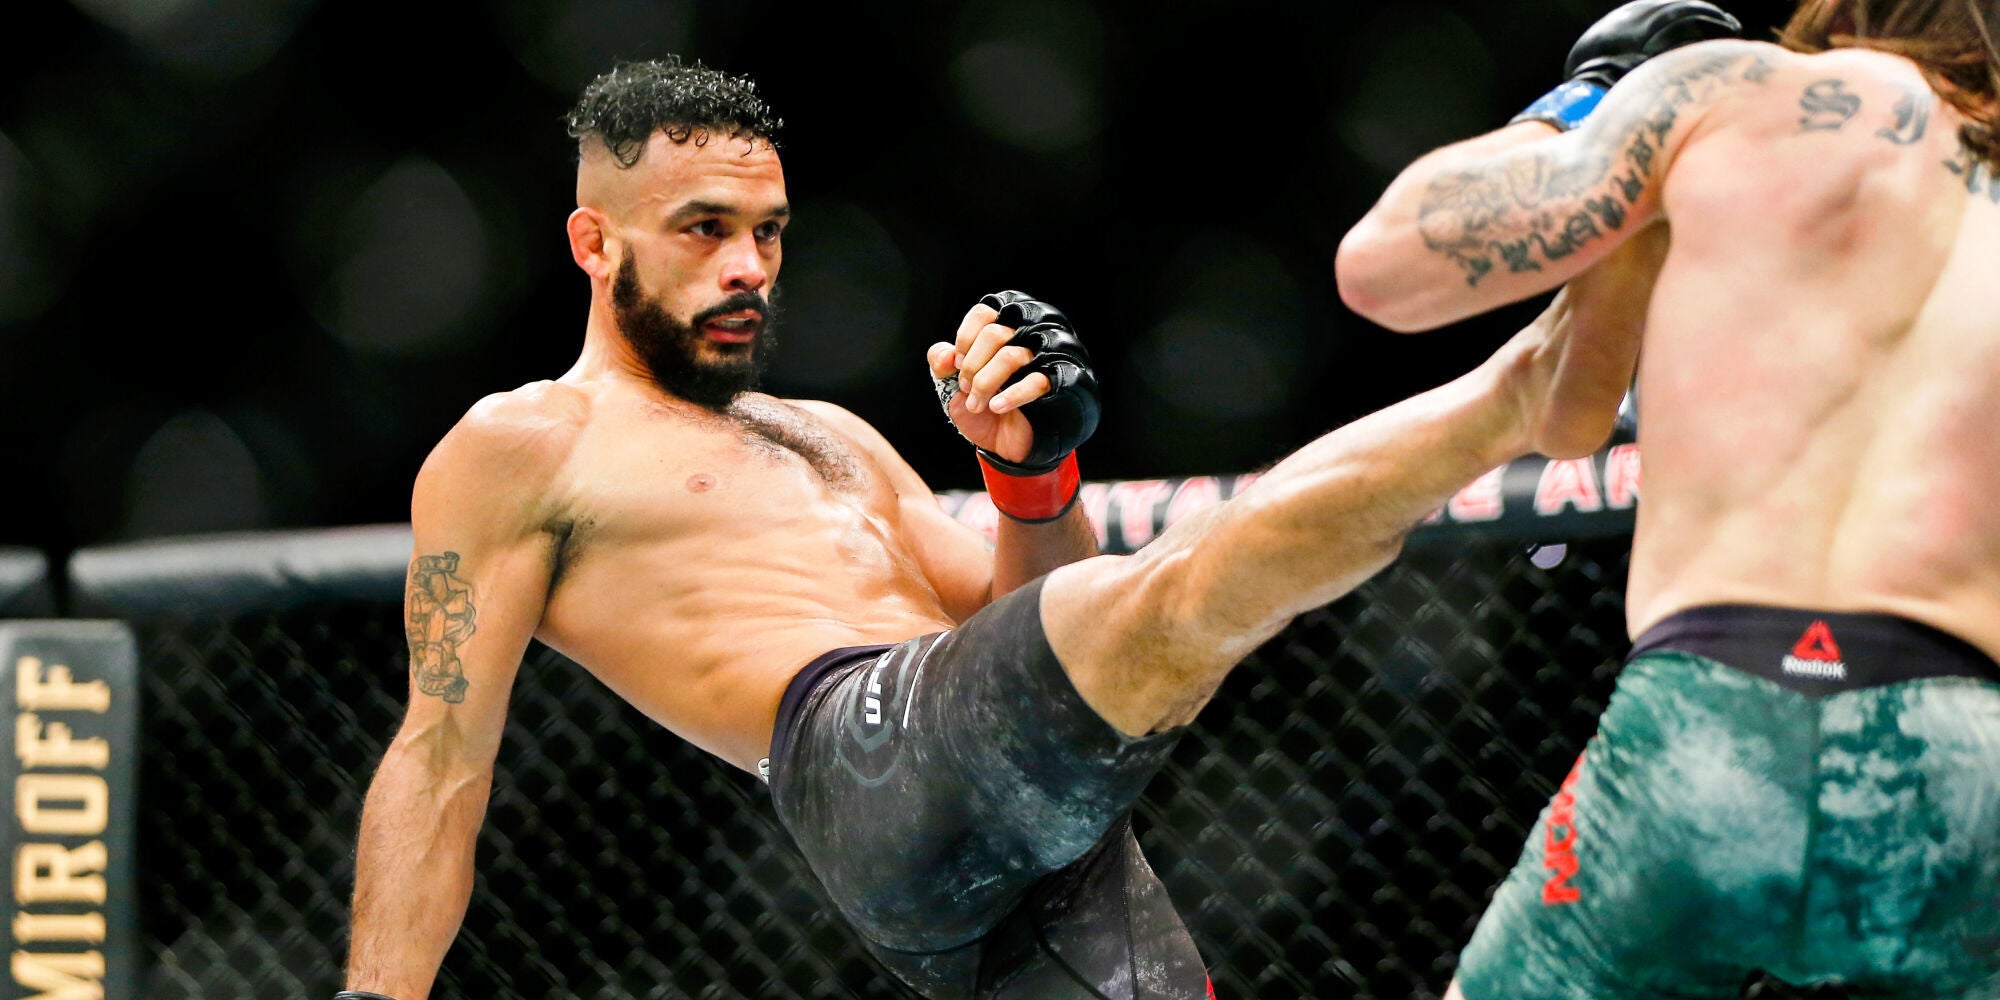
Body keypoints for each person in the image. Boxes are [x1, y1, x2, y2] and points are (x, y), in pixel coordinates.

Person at [337, 57, 1650, 1000]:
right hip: (862, 762)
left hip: (1020, 817)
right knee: (1180, 589)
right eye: (704, 231)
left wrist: (1033, 476)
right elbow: (439, 754)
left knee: (1139, 626)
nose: (747, 266)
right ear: (594, 243)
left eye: (768, 233)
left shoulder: (828, 434)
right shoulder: (524, 443)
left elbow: (1036, 633)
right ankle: (1525, 386)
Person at [1336, 0, 2000, 996]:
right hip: (1960, 754)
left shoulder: (1727, 94)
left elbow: (1384, 267)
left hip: (1701, 729)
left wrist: (1594, 99)